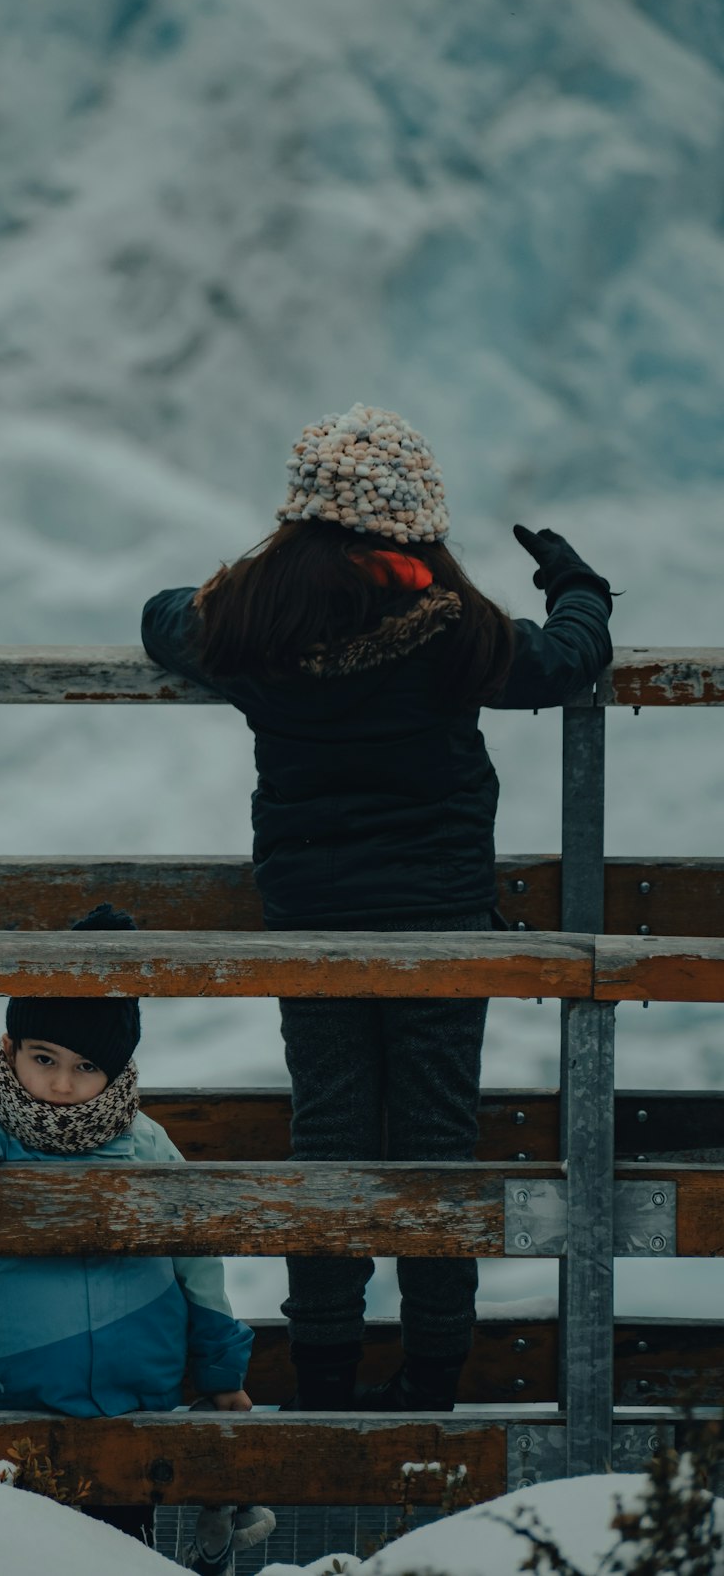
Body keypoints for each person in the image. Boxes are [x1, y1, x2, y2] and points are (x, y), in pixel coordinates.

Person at [141, 402, 614, 1415]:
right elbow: (569, 658)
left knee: (331, 1136)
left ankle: (318, 1381)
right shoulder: (455, 632)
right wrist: (576, 582)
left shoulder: (250, 628)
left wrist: (234, 587)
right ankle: (430, 1382)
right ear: (417, 528)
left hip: (311, 927)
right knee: (438, 1142)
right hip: (441, 927)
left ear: (304, 520)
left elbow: (160, 616)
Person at [0, 902, 274, 1572]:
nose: (58, 1084)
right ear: (13, 1048)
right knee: (36, 1550)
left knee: (123, 1550)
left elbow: (199, 1257)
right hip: (32, 1397)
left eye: (84, 1068)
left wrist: (221, 1372)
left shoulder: (143, 1143)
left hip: (140, 1394)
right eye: (43, 1057)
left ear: (113, 1071)